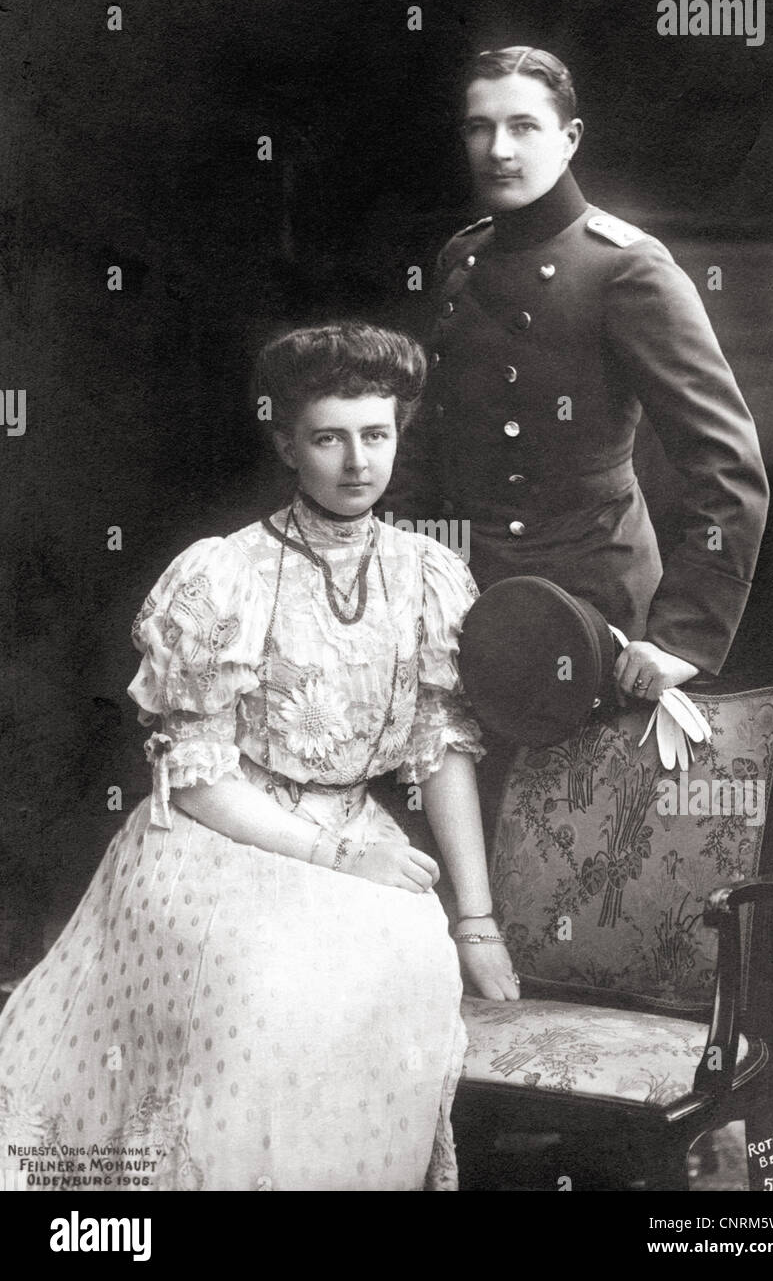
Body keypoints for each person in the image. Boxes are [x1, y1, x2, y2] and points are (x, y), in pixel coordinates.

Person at [0, 322, 518, 1193]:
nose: (357, 462)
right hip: (223, 840)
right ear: (286, 441)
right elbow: (196, 777)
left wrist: (476, 921)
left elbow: (445, 749)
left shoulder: (431, 573)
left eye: (376, 435)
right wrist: (336, 855)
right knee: (263, 990)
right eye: (329, 437)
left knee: (407, 965)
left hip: (364, 834)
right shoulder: (224, 573)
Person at [386, 45, 769, 705]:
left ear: (569, 139)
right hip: (464, 597)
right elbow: (430, 439)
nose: (498, 150)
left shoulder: (626, 267)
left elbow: (726, 462)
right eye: (480, 127)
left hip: (592, 608)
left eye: (523, 126)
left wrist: (685, 640)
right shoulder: (464, 257)